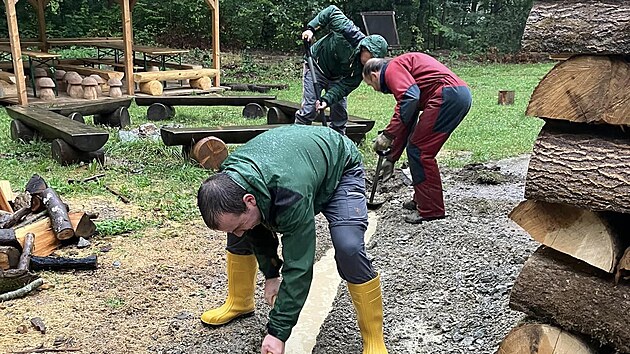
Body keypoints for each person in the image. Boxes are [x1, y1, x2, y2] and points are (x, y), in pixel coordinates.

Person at [197, 125, 388, 354]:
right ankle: (240, 303)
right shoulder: (232, 180)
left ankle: (374, 338)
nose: (236, 232)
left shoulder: (289, 195)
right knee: (242, 233)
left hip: (339, 168)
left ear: (249, 200)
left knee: (349, 247)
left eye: (237, 225)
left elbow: (299, 266)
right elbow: (254, 228)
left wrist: (277, 333)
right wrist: (270, 275)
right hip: (297, 165)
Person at [362, 54, 472, 224]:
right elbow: (408, 117)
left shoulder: (392, 68)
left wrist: (387, 135)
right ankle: (422, 200)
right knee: (417, 148)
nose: (374, 89)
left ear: (374, 75)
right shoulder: (401, 68)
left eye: (371, 84)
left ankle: (431, 210)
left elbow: (409, 99)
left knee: (420, 151)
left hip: (448, 95)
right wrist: (392, 157)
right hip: (454, 95)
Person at [295, 5, 388, 134]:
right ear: (365, 48)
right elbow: (331, 11)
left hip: (337, 77)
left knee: (340, 114)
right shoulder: (349, 32)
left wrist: (326, 100)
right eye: (371, 57)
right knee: (310, 108)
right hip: (315, 65)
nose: (371, 63)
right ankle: (298, 136)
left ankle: (338, 144)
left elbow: (344, 87)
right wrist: (311, 29)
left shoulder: (362, 71)